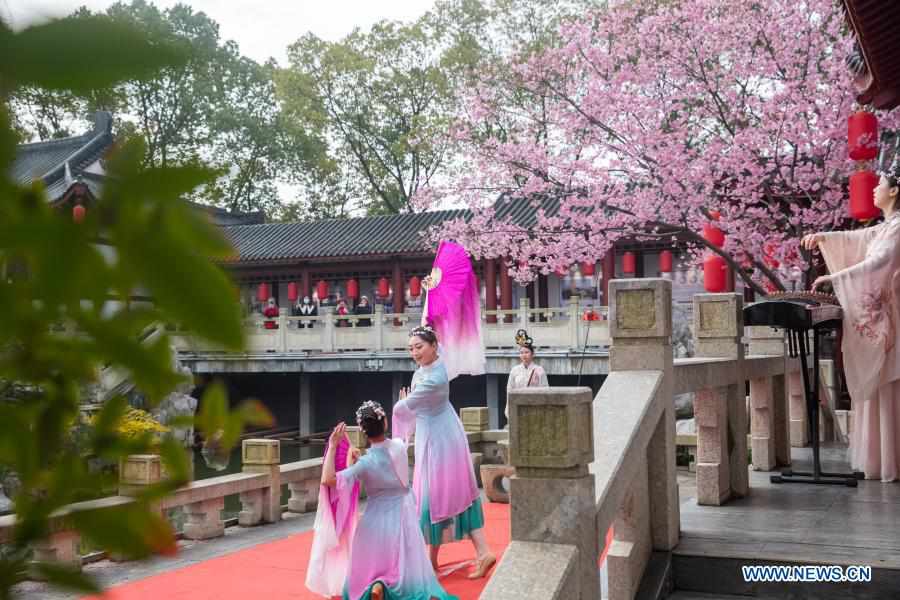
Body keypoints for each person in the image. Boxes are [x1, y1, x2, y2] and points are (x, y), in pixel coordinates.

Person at [803, 172, 900, 482]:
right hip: (886, 319)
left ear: (895, 190)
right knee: (878, 384)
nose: (874, 190)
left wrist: (836, 277)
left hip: (893, 321)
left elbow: (879, 261)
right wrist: (824, 237)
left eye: (880, 185)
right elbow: (860, 239)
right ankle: (881, 460)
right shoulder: (886, 227)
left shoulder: (897, 227)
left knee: (887, 383)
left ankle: (891, 459)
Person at [312, 403, 457, 600]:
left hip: (374, 520)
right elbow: (406, 430)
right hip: (402, 513)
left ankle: (376, 585)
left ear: (363, 431)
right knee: (402, 563)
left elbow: (328, 480)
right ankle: (388, 588)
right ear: (385, 422)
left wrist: (333, 447)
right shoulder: (398, 447)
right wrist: (403, 406)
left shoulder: (364, 463)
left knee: (376, 562)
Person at [392, 325, 496, 579]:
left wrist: (403, 401)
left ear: (434, 346)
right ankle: (435, 558)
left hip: (440, 441)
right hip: (439, 433)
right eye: (411, 348)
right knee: (442, 496)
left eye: (419, 347)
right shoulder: (432, 368)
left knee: (437, 496)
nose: (414, 352)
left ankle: (480, 552)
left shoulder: (433, 378)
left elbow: (402, 408)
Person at [505, 329, 549, 421]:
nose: (524, 355)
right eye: (521, 353)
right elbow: (510, 390)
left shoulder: (539, 370)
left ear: (532, 354)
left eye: (526, 352)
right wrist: (509, 409)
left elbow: (545, 390)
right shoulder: (514, 370)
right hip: (518, 407)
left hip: (534, 407)